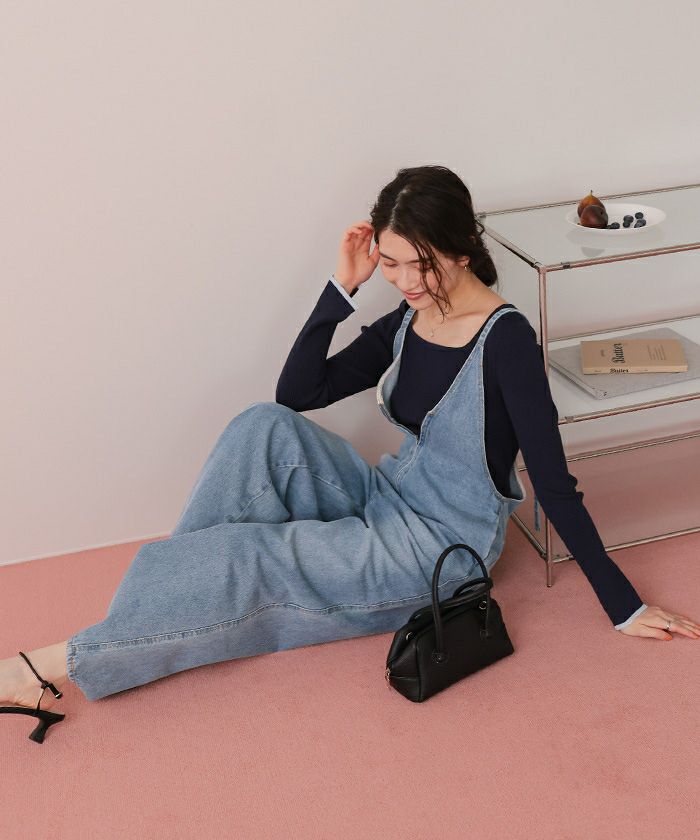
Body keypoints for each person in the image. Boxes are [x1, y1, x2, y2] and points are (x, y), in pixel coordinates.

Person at [2, 165, 698, 742]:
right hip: (384, 496)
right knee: (261, 427)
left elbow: (553, 481)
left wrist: (623, 605)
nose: (404, 280)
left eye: (417, 264)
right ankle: (163, 614)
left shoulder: (507, 341)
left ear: (461, 249)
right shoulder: (410, 316)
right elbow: (299, 393)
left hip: (437, 549)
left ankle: (49, 665)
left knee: (251, 555)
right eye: (390, 263)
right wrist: (344, 286)